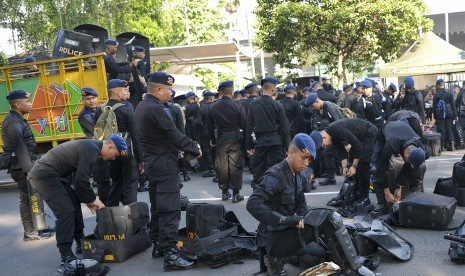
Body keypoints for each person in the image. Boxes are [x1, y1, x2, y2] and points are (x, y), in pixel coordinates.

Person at [246, 133, 374, 276]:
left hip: (287, 232)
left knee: (321, 255)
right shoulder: (275, 176)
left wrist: (306, 219)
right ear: (290, 152)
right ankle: (352, 271)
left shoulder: (298, 177)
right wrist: (285, 220)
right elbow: (252, 204)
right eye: (303, 158)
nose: (306, 164)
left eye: (309, 160)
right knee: (329, 218)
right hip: (274, 237)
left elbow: (302, 207)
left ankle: (278, 259)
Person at [28, 135, 127, 274]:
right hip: (44, 176)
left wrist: (87, 199)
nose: (114, 158)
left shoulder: (91, 147)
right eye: (115, 154)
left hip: (56, 176)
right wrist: (93, 199)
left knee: (74, 205)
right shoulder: (91, 149)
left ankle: (80, 243)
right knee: (66, 212)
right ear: (110, 147)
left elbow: (78, 179)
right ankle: (66, 257)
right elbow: (82, 180)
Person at [135, 72, 201, 271]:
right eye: (169, 89)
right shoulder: (156, 109)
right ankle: (171, 255)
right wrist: (194, 148)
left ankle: (159, 246)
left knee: (158, 207)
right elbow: (173, 134)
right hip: (164, 164)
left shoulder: (142, 106)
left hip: (154, 163)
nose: (171, 93)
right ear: (159, 89)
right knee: (170, 210)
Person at [1, 90, 52, 242]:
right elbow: (20, 148)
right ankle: (30, 233)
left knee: (33, 197)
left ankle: (38, 228)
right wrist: (30, 171)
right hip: (20, 167)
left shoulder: (17, 119)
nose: (30, 104)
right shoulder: (14, 122)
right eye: (27, 102)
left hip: (24, 164)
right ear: (17, 104)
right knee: (27, 198)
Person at [94, 79, 144, 206]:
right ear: (117, 93)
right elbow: (135, 136)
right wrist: (140, 159)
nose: (127, 92)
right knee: (130, 186)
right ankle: (132, 220)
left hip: (109, 153)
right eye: (124, 90)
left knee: (116, 184)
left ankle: (112, 218)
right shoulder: (126, 110)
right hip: (126, 152)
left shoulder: (99, 110)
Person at [312, 118, 378, 207]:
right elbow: (340, 150)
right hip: (358, 138)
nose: (324, 147)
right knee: (351, 163)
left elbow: (358, 146)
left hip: (368, 134)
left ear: (324, 137)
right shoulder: (331, 133)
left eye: (323, 145)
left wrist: (354, 166)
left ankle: (365, 197)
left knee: (363, 165)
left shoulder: (338, 130)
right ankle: (354, 194)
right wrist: (345, 167)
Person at [372, 121, 427, 217]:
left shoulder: (421, 146)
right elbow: (382, 168)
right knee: (375, 169)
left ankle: (415, 197)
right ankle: (382, 204)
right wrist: (387, 193)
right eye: (408, 160)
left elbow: (408, 166)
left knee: (419, 168)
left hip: (403, 132)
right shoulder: (391, 144)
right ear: (405, 155)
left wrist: (399, 187)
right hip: (386, 131)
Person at [246, 77, 291, 188]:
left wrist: (248, 145)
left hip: (261, 141)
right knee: (277, 168)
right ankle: (276, 191)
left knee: (258, 169)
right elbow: (285, 127)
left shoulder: (253, 105)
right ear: (273, 90)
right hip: (275, 141)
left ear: (262, 89)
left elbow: (249, 126)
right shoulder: (277, 105)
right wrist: (288, 145)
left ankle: (257, 193)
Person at [209, 81, 246, 202]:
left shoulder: (213, 106)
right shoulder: (238, 106)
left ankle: (224, 192)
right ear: (231, 91)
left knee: (222, 166)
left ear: (220, 92)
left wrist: (213, 140)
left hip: (221, 138)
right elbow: (244, 124)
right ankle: (236, 193)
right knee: (235, 165)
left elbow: (210, 126)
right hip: (235, 138)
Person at [305, 93, 344, 185]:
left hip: (342, 135)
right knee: (327, 153)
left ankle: (336, 176)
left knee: (331, 153)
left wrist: (344, 142)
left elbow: (338, 124)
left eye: (313, 106)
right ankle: (331, 177)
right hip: (339, 135)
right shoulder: (325, 107)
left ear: (317, 101)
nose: (313, 108)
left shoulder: (328, 108)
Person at [433, 79, 457, 151]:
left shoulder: (436, 95)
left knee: (441, 130)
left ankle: (442, 146)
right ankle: (451, 145)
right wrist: (455, 115)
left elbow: (434, 107)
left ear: (438, 85)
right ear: (443, 85)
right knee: (449, 129)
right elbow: (453, 105)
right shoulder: (449, 93)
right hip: (449, 113)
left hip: (440, 115)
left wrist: (435, 116)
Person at [197, 90, 216, 178]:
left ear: (204, 99)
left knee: (206, 150)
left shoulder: (202, 108)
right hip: (216, 131)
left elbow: (198, 122)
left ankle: (212, 169)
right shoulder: (216, 106)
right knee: (216, 149)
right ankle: (218, 168)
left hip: (205, 131)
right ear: (212, 98)